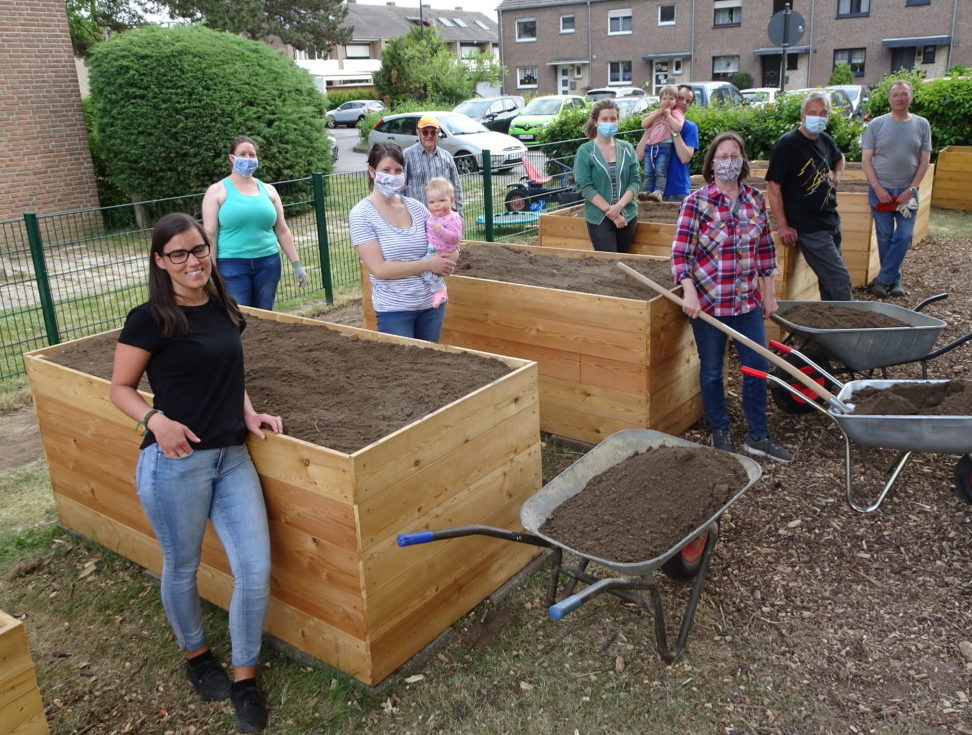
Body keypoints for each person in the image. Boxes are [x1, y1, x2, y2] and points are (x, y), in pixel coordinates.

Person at [109, 213, 283, 733]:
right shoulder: (150, 319)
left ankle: (245, 679)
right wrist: (154, 420)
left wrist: (249, 412)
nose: (192, 261)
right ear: (160, 262)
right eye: (179, 254)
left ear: (210, 249)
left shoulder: (224, 307)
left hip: (232, 457)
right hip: (174, 464)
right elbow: (119, 388)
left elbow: (230, 374)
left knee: (254, 570)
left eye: (198, 249)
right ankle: (197, 656)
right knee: (181, 566)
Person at [672, 131, 793, 463]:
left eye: (734, 156)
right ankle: (720, 429)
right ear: (712, 164)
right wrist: (689, 294)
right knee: (712, 370)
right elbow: (681, 254)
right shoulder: (696, 202)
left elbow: (765, 251)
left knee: (756, 366)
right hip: (709, 303)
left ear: (743, 161)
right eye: (722, 157)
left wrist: (769, 295)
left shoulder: (755, 200)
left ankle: (758, 435)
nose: (728, 162)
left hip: (745, 303)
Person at [349, 142, 457, 341]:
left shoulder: (416, 207)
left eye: (398, 170)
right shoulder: (361, 215)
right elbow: (380, 269)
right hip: (395, 310)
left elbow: (449, 244)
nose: (393, 174)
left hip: (431, 305)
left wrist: (449, 258)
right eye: (386, 169)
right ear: (372, 172)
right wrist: (429, 264)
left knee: (428, 366)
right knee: (403, 368)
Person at [201, 136, 308, 310]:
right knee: (240, 316)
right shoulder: (217, 191)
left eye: (252, 154)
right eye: (243, 154)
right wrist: (210, 273)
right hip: (231, 265)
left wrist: (296, 264)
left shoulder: (269, 190)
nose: (248, 158)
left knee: (265, 315)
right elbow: (209, 235)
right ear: (232, 158)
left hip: (268, 263)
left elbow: (282, 230)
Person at [765, 90, 853, 301]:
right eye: (813, 112)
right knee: (840, 279)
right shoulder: (787, 144)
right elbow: (773, 187)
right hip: (808, 226)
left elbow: (839, 158)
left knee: (830, 282)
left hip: (830, 219)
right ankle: (850, 327)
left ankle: (830, 326)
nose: (818, 116)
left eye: (823, 112)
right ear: (803, 116)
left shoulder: (825, 140)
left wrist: (837, 175)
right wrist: (783, 225)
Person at [860, 80, 932, 298]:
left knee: (903, 236)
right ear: (890, 99)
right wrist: (878, 189)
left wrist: (912, 188)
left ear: (911, 97)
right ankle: (895, 282)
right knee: (884, 237)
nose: (900, 99)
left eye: (904, 94)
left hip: (906, 193)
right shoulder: (876, 125)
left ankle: (883, 280)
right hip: (880, 191)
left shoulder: (922, 125)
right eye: (895, 95)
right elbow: (865, 160)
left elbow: (924, 160)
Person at [573, 99, 641, 253]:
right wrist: (612, 213)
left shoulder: (627, 149)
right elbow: (585, 187)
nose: (609, 122)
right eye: (604, 119)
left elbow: (635, 181)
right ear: (596, 122)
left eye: (613, 119)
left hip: (627, 215)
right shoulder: (585, 151)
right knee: (608, 262)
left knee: (624, 259)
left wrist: (619, 207)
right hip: (599, 217)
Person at [403, 116, 464, 215]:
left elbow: (456, 186)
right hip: (417, 217)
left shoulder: (447, 157)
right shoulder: (407, 155)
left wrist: (459, 213)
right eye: (425, 132)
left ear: (438, 132)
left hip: (443, 216)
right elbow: (401, 188)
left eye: (433, 132)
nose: (429, 135)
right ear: (418, 132)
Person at [420, 176, 464, 308]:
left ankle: (439, 290)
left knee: (425, 269)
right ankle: (434, 289)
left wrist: (440, 231)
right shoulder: (432, 215)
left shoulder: (453, 218)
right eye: (432, 202)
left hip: (442, 250)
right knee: (424, 269)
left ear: (452, 201)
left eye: (441, 200)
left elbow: (455, 238)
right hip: (433, 247)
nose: (436, 205)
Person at [635, 84, 683, 201]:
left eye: (671, 99)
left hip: (664, 145)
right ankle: (646, 191)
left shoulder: (676, 113)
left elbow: (677, 128)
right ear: (660, 100)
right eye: (664, 99)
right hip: (650, 147)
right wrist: (655, 115)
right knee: (648, 171)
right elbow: (644, 124)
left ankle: (658, 192)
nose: (667, 101)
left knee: (660, 171)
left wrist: (668, 116)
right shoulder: (656, 112)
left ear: (676, 101)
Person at [660, 84, 699, 204]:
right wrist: (649, 130)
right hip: (653, 189)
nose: (684, 102)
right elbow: (639, 155)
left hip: (678, 190)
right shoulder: (656, 122)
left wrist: (674, 132)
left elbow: (685, 157)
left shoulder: (690, 127)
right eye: (681, 98)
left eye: (688, 101)